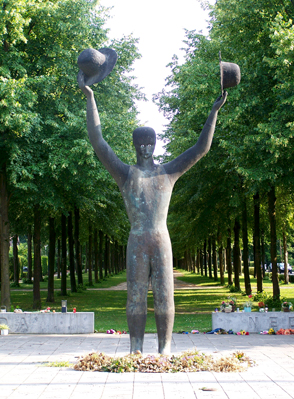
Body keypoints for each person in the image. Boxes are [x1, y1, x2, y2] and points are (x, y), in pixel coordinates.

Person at [78, 70, 227, 354]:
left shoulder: (168, 172)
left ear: (155, 145)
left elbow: (201, 148)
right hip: (137, 240)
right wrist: (90, 98)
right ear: (135, 146)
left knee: (165, 294)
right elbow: (98, 142)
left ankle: (165, 348)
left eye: (150, 144)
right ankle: (135, 348)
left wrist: (213, 113)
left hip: (161, 240)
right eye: (141, 145)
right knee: (135, 296)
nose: (146, 149)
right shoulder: (125, 174)